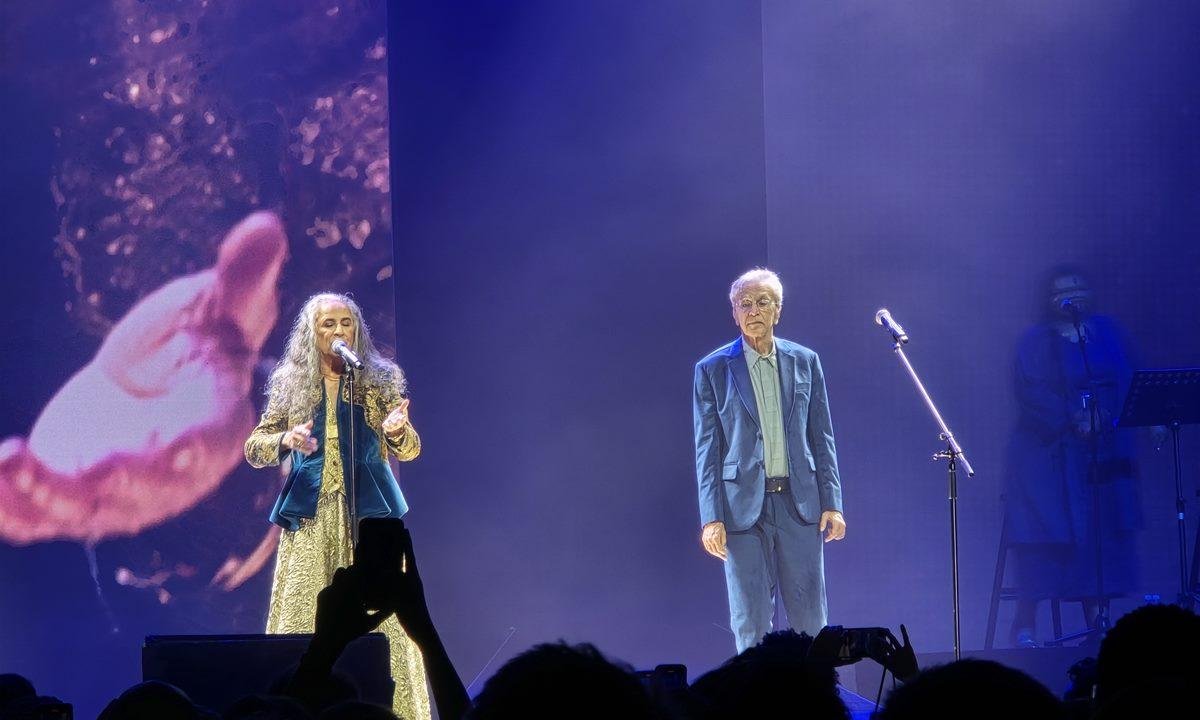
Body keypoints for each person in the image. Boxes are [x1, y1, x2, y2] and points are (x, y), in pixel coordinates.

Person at [244, 293, 430, 720]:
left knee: (382, 618)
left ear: (357, 329)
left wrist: (397, 431)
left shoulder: (378, 381)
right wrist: (284, 441)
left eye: (345, 323)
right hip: (310, 517)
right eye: (328, 324)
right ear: (312, 333)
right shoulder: (291, 384)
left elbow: (412, 449)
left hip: (370, 518)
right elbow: (254, 447)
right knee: (302, 616)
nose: (338, 331)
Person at [692, 268, 846, 653]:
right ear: (734, 313)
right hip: (741, 510)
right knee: (751, 621)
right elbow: (706, 450)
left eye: (763, 302)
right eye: (744, 304)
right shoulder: (712, 369)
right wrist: (711, 517)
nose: (753, 310)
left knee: (811, 620)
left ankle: (816, 698)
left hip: (799, 503)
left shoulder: (805, 361)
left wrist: (833, 503)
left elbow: (821, 435)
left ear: (778, 310)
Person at [1004, 267, 1142, 647]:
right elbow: (1029, 391)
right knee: (1046, 532)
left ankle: (1099, 621)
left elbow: (1129, 376)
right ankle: (1027, 624)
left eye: (1078, 286)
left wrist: (1136, 418)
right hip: (1046, 457)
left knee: (1100, 529)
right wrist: (1072, 416)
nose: (1072, 295)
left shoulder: (1109, 333)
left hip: (1099, 456)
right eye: (1062, 290)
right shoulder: (1035, 341)